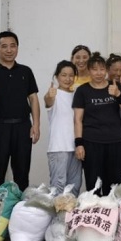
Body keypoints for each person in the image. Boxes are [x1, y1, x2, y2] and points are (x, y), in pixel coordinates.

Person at [0, 31, 40, 191]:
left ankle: (20, 205)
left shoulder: (25, 71)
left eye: (13, 46)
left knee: (22, 172)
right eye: (4, 46)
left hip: (23, 127)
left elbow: (33, 98)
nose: (9, 50)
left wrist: (36, 125)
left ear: (17, 48)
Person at [73, 53, 121, 196]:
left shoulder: (114, 86)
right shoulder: (82, 90)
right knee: (94, 183)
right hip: (92, 142)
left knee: (115, 183)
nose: (98, 73)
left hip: (115, 141)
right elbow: (78, 119)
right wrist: (79, 144)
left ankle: (113, 209)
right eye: (94, 69)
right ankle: (96, 208)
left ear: (106, 70)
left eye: (102, 69)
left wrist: (118, 94)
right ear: (89, 71)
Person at [44, 60, 82, 195]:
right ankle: (57, 210)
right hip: (58, 148)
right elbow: (48, 101)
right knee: (58, 186)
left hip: (76, 147)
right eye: (64, 75)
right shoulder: (54, 94)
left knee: (74, 186)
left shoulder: (77, 95)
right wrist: (50, 96)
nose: (67, 79)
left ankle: (70, 210)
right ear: (57, 76)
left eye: (71, 75)